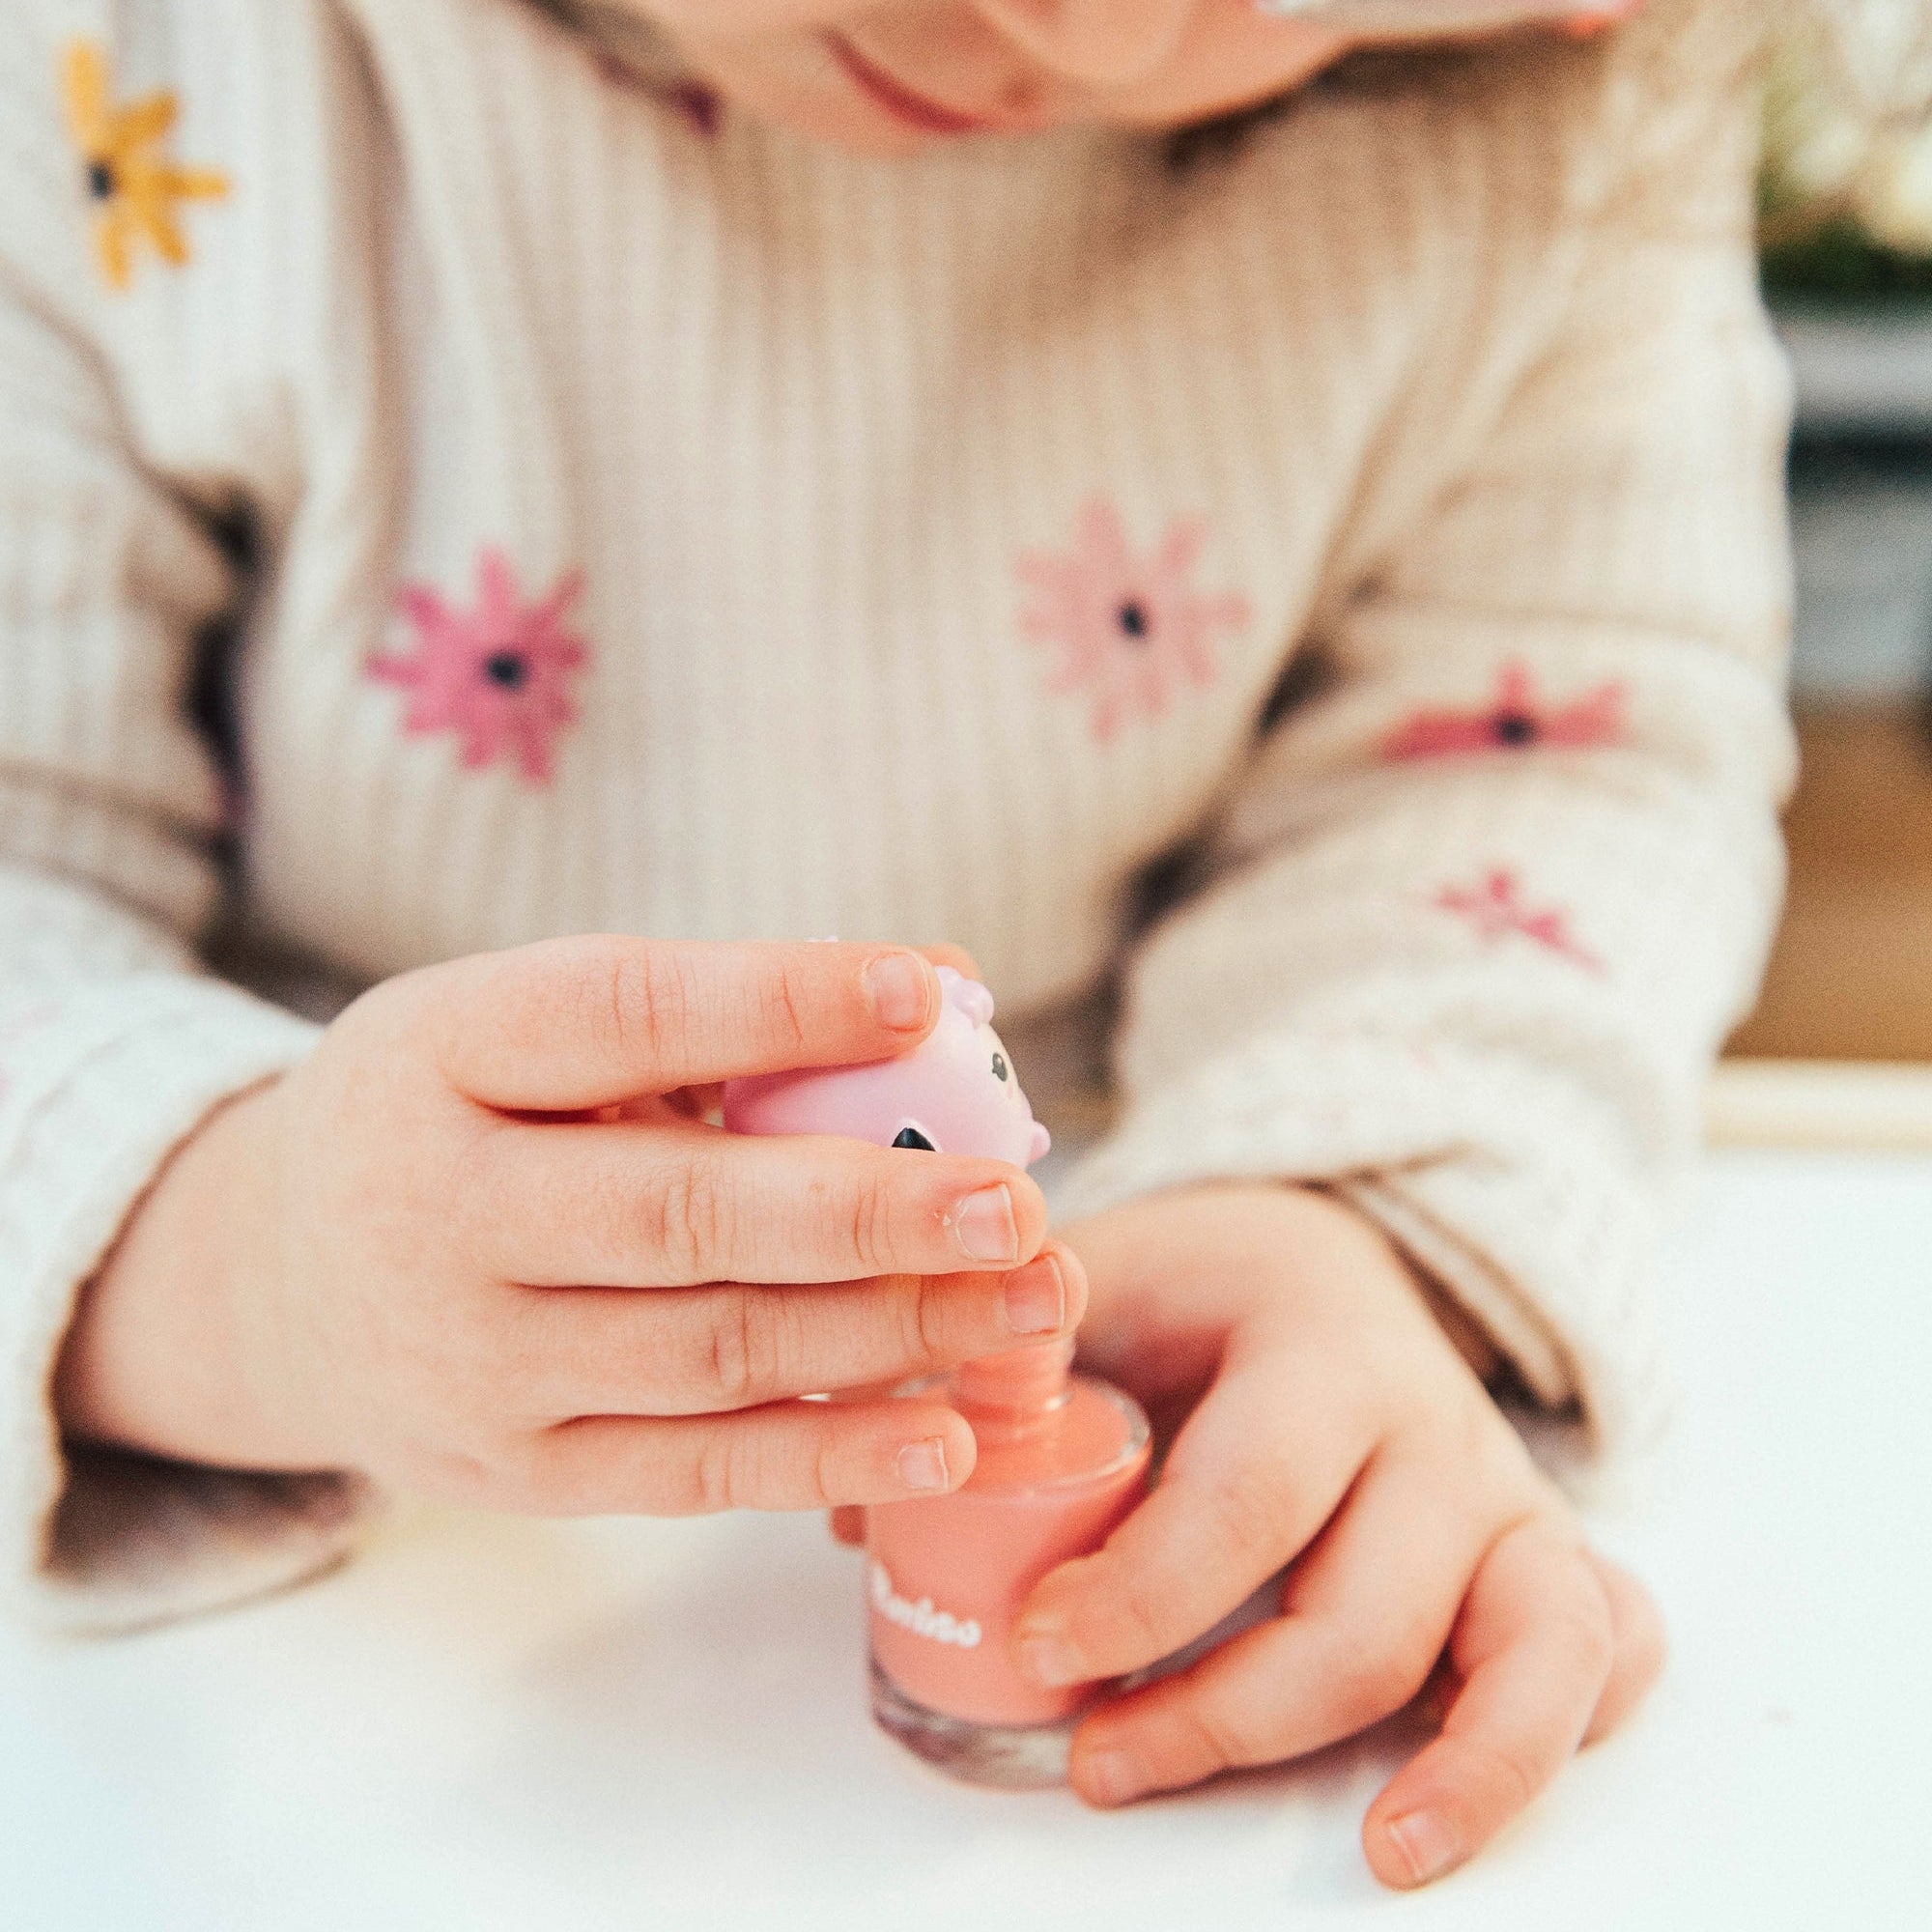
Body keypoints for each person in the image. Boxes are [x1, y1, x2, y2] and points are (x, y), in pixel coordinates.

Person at [1, 0, 1791, 1889]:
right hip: (306, 1696)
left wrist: (1351, 1210)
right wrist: (243, 1269)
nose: (1083, 38)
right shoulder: (140, 66)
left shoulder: (1559, 118)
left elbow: (1535, 776)